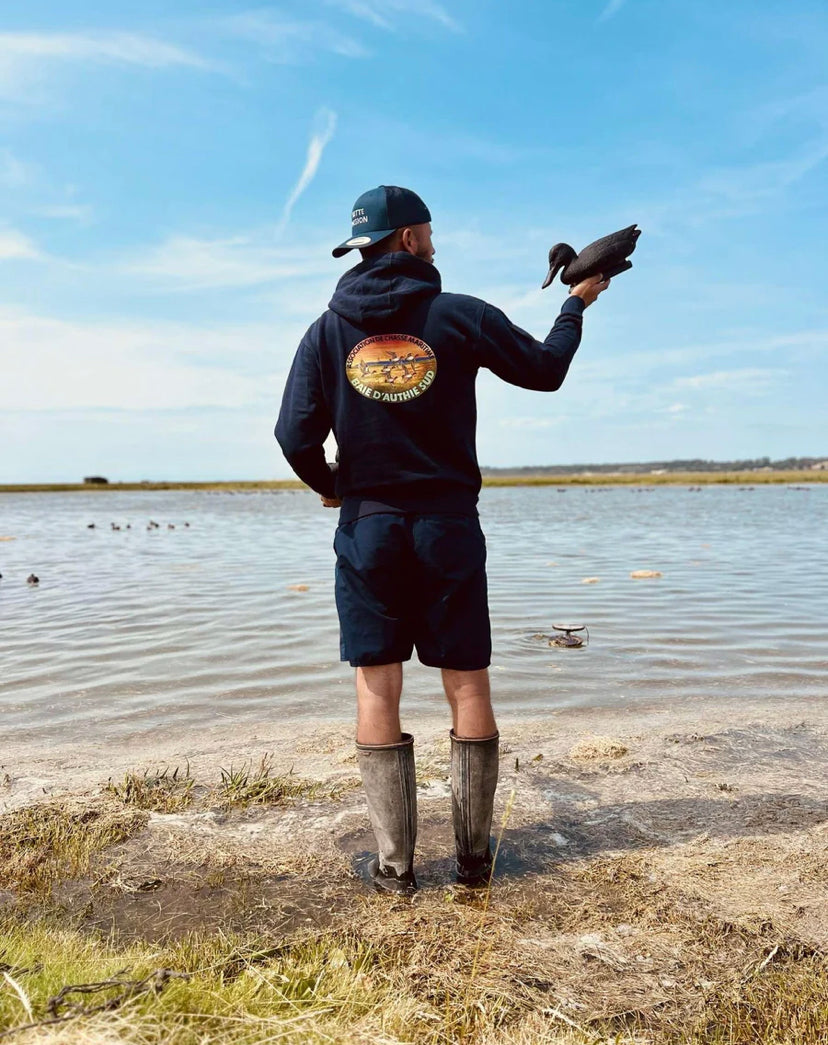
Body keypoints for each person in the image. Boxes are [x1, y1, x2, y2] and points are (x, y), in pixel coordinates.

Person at [275, 185, 608, 895]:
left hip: (367, 528)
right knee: (466, 682)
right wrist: (575, 303)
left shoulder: (325, 331)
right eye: (428, 231)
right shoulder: (458, 316)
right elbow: (545, 370)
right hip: (448, 525)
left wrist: (333, 485)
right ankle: (473, 863)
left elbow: (293, 434)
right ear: (409, 239)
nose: (434, 241)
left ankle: (396, 869)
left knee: (377, 683)